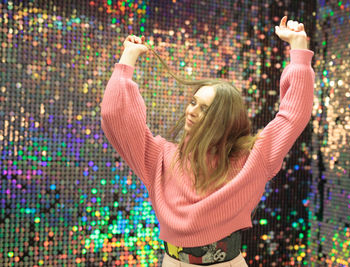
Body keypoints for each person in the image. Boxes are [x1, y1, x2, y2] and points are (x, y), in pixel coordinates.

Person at [101, 16, 314, 267]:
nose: (191, 111)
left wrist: (299, 46)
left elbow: (293, 115)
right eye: (193, 102)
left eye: (204, 109)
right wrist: (128, 58)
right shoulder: (159, 157)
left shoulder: (251, 159)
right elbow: (114, 115)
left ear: (223, 120)